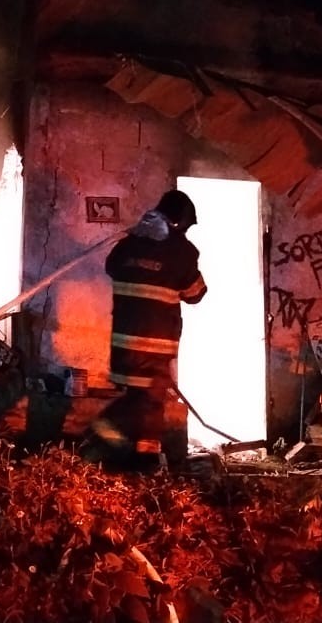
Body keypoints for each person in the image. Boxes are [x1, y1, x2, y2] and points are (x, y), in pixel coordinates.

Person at [91, 190, 207, 471]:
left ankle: (145, 460)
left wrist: (140, 248)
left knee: (147, 402)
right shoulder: (182, 251)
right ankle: (98, 436)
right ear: (180, 222)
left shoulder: (127, 246)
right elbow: (196, 294)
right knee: (145, 402)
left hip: (123, 346)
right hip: (154, 348)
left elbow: (112, 267)